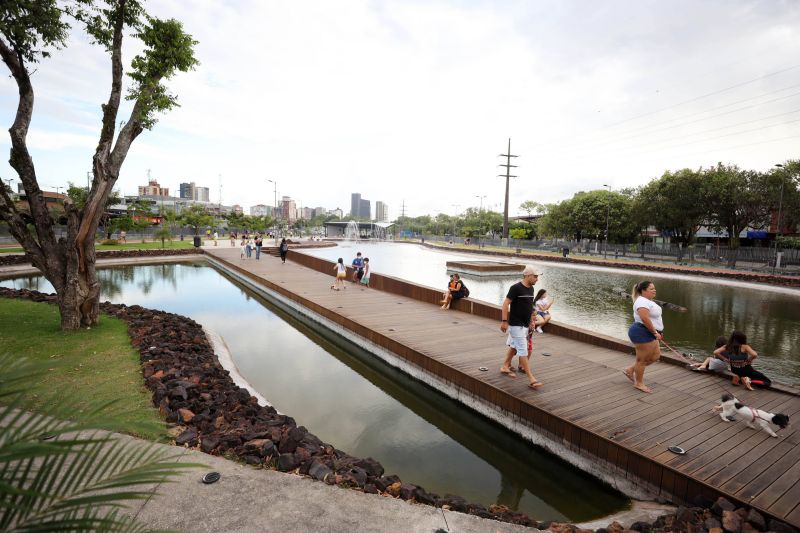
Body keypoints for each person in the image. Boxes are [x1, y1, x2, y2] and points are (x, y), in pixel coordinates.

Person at [499, 265, 544, 389]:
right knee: (523, 350)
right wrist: (504, 321)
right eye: (535, 277)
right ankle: (531, 378)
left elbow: (528, 307)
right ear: (527, 275)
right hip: (515, 325)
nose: (537, 279)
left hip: (525, 325)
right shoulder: (515, 288)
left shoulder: (531, 289)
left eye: (537, 277)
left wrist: (531, 320)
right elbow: (505, 304)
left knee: (514, 346)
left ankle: (505, 366)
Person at [624, 280, 663, 393]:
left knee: (655, 356)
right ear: (643, 291)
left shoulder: (648, 301)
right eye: (651, 289)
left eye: (654, 288)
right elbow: (644, 319)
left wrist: (660, 331)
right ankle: (638, 383)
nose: (654, 290)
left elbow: (655, 318)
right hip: (642, 332)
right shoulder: (641, 302)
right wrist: (655, 332)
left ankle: (630, 370)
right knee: (642, 360)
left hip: (651, 332)